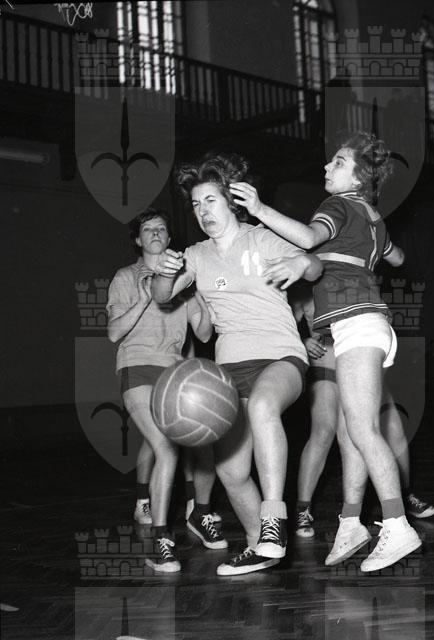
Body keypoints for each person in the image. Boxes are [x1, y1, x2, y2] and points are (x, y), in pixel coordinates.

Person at [229, 131, 422, 572]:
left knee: (362, 430)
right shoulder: (372, 216)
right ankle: (351, 523)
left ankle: (397, 525)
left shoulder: (337, 205)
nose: (326, 167)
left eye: (337, 162)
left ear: (358, 176)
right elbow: (397, 257)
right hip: (366, 323)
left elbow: (307, 237)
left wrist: (259, 209)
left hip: (358, 322)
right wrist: (369, 251)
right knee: (351, 431)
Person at [152, 152, 323, 575]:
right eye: (196, 204)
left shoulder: (260, 238)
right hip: (229, 371)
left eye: (210, 200)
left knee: (264, 406)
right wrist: (165, 271)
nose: (203, 211)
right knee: (231, 471)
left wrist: (300, 262)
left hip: (280, 355)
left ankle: (274, 518)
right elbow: (161, 296)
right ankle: (257, 546)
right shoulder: (196, 254)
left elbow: (314, 265)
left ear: (231, 201)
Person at [107, 208, 226, 574]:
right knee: (165, 447)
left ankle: (199, 514)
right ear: (138, 240)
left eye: (161, 228)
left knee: (205, 443)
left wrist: (198, 295)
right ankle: (161, 540)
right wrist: (145, 297)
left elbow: (203, 333)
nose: (156, 233)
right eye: (148, 229)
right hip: (137, 366)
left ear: (169, 238)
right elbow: (113, 332)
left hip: (175, 372)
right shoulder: (126, 277)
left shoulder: (183, 281)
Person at [291, 291, 434, 539]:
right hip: (326, 363)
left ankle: (403, 496)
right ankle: (302, 508)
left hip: (361, 360)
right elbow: (282, 324)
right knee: (324, 430)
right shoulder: (304, 287)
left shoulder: (353, 279)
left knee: (393, 428)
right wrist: (301, 342)